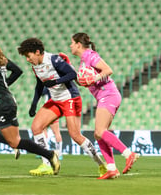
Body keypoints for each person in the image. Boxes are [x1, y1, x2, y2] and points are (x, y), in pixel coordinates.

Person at [0, 28, 60, 184]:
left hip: (1, 105)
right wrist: (3, 85)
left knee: (14, 142)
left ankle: (49, 155)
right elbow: (17, 71)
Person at [18, 38, 106, 176]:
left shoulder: (54, 59)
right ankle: (47, 164)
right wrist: (34, 103)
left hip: (70, 98)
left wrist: (56, 81)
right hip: (56, 100)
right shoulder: (35, 66)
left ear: (37, 52)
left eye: (28, 56)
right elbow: (39, 85)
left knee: (75, 136)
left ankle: (101, 165)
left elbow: (73, 74)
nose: (28, 60)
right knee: (36, 127)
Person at [70, 32, 139, 180]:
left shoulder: (89, 55)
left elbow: (108, 70)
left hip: (108, 95)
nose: (70, 46)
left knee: (100, 131)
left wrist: (94, 77)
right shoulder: (83, 60)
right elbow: (85, 80)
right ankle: (112, 169)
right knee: (98, 134)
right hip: (105, 96)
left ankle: (128, 154)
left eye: (72, 43)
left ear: (78, 45)